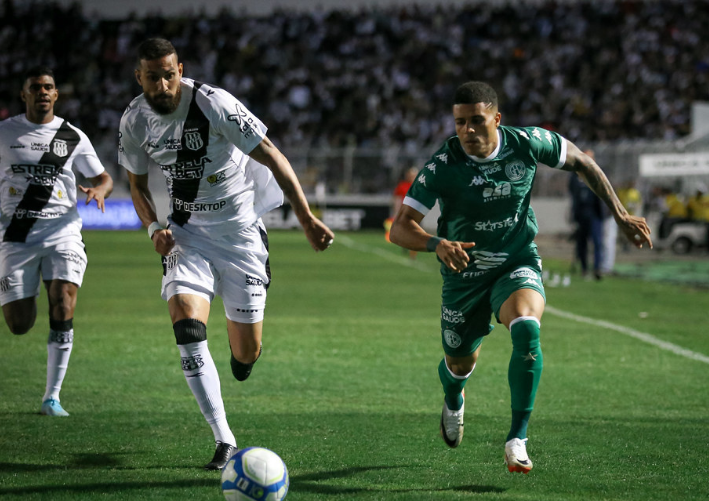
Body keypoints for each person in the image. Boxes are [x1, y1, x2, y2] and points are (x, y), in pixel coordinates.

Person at [390, 82, 651, 474]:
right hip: (465, 275)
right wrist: (436, 243)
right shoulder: (443, 165)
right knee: (460, 363)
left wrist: (620, 214)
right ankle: (454, 396)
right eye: (460, 123)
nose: (468, 131)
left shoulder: (528, 143)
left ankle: (517, 438)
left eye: (477, 121)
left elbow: (581, 160)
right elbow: (400, 228)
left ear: (497, 118)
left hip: (516, 260)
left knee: (527, 329)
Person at [118, 39, 334, 470]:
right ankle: (224, 438)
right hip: (187, 237)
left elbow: (272, 155)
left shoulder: (214, 104)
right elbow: (137, 186)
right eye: (151, 76)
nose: (161, 84)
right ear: (138, 77)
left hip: (240, 238)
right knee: (185, 319)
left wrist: (306, 217)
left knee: (246, 352)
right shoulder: (133, 120)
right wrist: (153, 228)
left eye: (168, 73)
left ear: (181, 68)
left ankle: (243, 360)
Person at [0, 66, 114, 416]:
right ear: (24, 95)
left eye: (48, 87)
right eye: (36, 87)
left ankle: (52, 397)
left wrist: (99, 189)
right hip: (16, 234)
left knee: (62, 302)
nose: (43, 92)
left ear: (56, 94)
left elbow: (104, 177)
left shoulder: (71, 136)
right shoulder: (5, 133)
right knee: (20, 324)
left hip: (62, 231)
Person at [568, 150, 605, 279]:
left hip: (594, 213)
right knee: (582, 243)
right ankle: (584, 268)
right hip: (581, 214)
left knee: (597, 242)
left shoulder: (598, 174)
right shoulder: (575, 176)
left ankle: (597, 268)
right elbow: (573, 195)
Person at [386, 166, 418, 259]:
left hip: (416, 212)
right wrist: (396, 211)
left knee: (415, 232)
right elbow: (397, 199)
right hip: (404, 212)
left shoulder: (419, 186)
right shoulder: (402, 186)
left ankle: (413, 251)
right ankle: (406, 245)